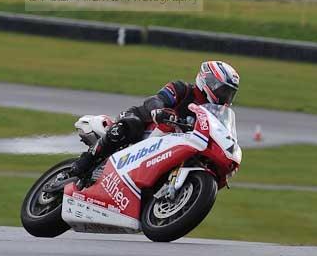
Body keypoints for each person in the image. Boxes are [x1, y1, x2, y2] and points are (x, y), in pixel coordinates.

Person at [71, 59, 240, 178]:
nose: (225, 97)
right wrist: (161, 111)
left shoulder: (215, 113)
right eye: (223, 90)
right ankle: (86, 161)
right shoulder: (182, 89)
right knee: (130, 125)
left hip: (174, 144)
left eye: (229, 93)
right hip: (147, 124)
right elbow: (156, 100)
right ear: (208, 81)